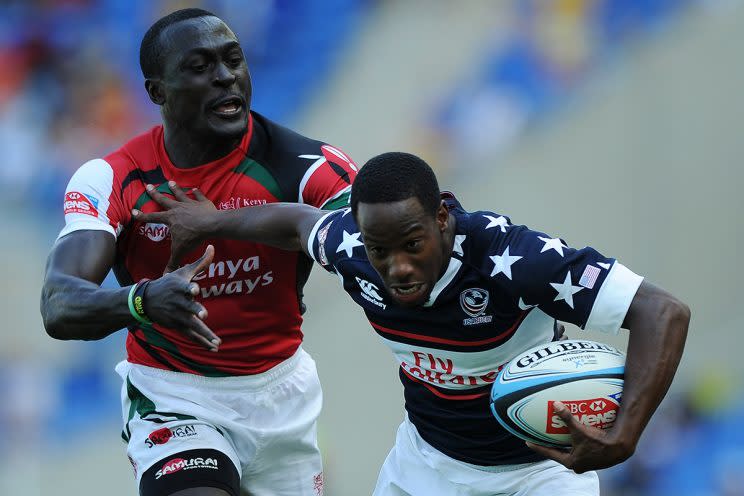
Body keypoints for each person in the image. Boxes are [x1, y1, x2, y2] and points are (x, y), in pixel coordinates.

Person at [132, 151, 690, 496]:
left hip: (539, 474)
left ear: (443, 218)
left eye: (413, 244)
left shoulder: (514, 258)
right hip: (426, 467)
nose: (398, 267)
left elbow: (663, 312)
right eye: (381, 250)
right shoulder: (351, 246)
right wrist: (212, 220)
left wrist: (625, 434)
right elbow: (297, 223)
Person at [40, 8, 358, 496]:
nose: (225, 76)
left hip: (281, 394)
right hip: (174, 395)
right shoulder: (113, 178)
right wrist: (142, 301)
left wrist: (217, 223)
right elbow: (59, 303)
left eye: (234, 60)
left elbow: (359, 237)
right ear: (157, 92)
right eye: (200, 66)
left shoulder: (306, 164)